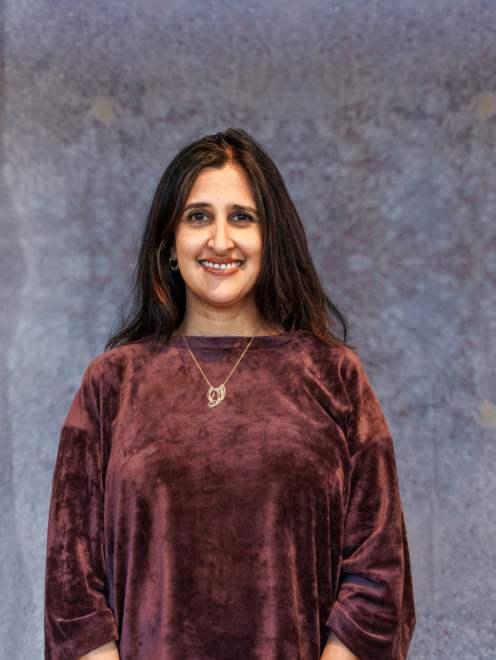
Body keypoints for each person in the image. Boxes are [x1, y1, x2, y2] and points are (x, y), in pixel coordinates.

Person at [44, 128, 415, 660]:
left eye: (242, 216)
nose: (221, 240)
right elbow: (72, 592)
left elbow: (379, 576)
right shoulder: (112, 383)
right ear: (170, 243)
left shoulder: (335, 376)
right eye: (198, 216)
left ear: (272, 237)